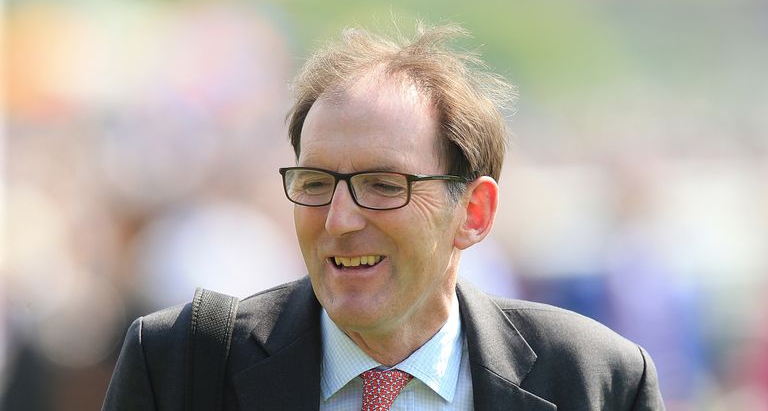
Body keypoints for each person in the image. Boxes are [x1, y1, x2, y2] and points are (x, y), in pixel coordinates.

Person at [103, 22, 665, 410]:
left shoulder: (595, 380)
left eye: (382, 185)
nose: (339, 219)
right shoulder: (181, 364)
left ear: (474, 212)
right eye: (318, 183)